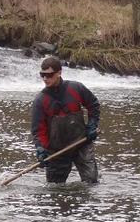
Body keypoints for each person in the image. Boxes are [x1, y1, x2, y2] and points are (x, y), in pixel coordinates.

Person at [30, 56, 100, 184]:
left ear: (59, 73)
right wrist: (41, 149)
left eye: (49, 75)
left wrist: (92, 125)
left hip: (81, 143)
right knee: (55, 189)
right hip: (57, 151)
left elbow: (93, 105)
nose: (45, 78)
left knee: (91, 183)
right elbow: (38, 130)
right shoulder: (40, 100)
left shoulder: (76, 88)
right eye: (42, 75)